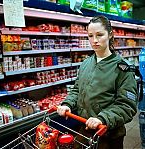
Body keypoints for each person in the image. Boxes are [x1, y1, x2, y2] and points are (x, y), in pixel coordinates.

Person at [57, 15, 138, 149]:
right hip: (84, 129)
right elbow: (77, 89)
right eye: (90, 36)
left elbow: (127, 105)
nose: (94, 40)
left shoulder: (123, 68)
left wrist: (103, 118)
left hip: (109, 135)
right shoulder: (86, 64)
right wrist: (67, 104)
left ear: (110, 35)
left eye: (99, 35)